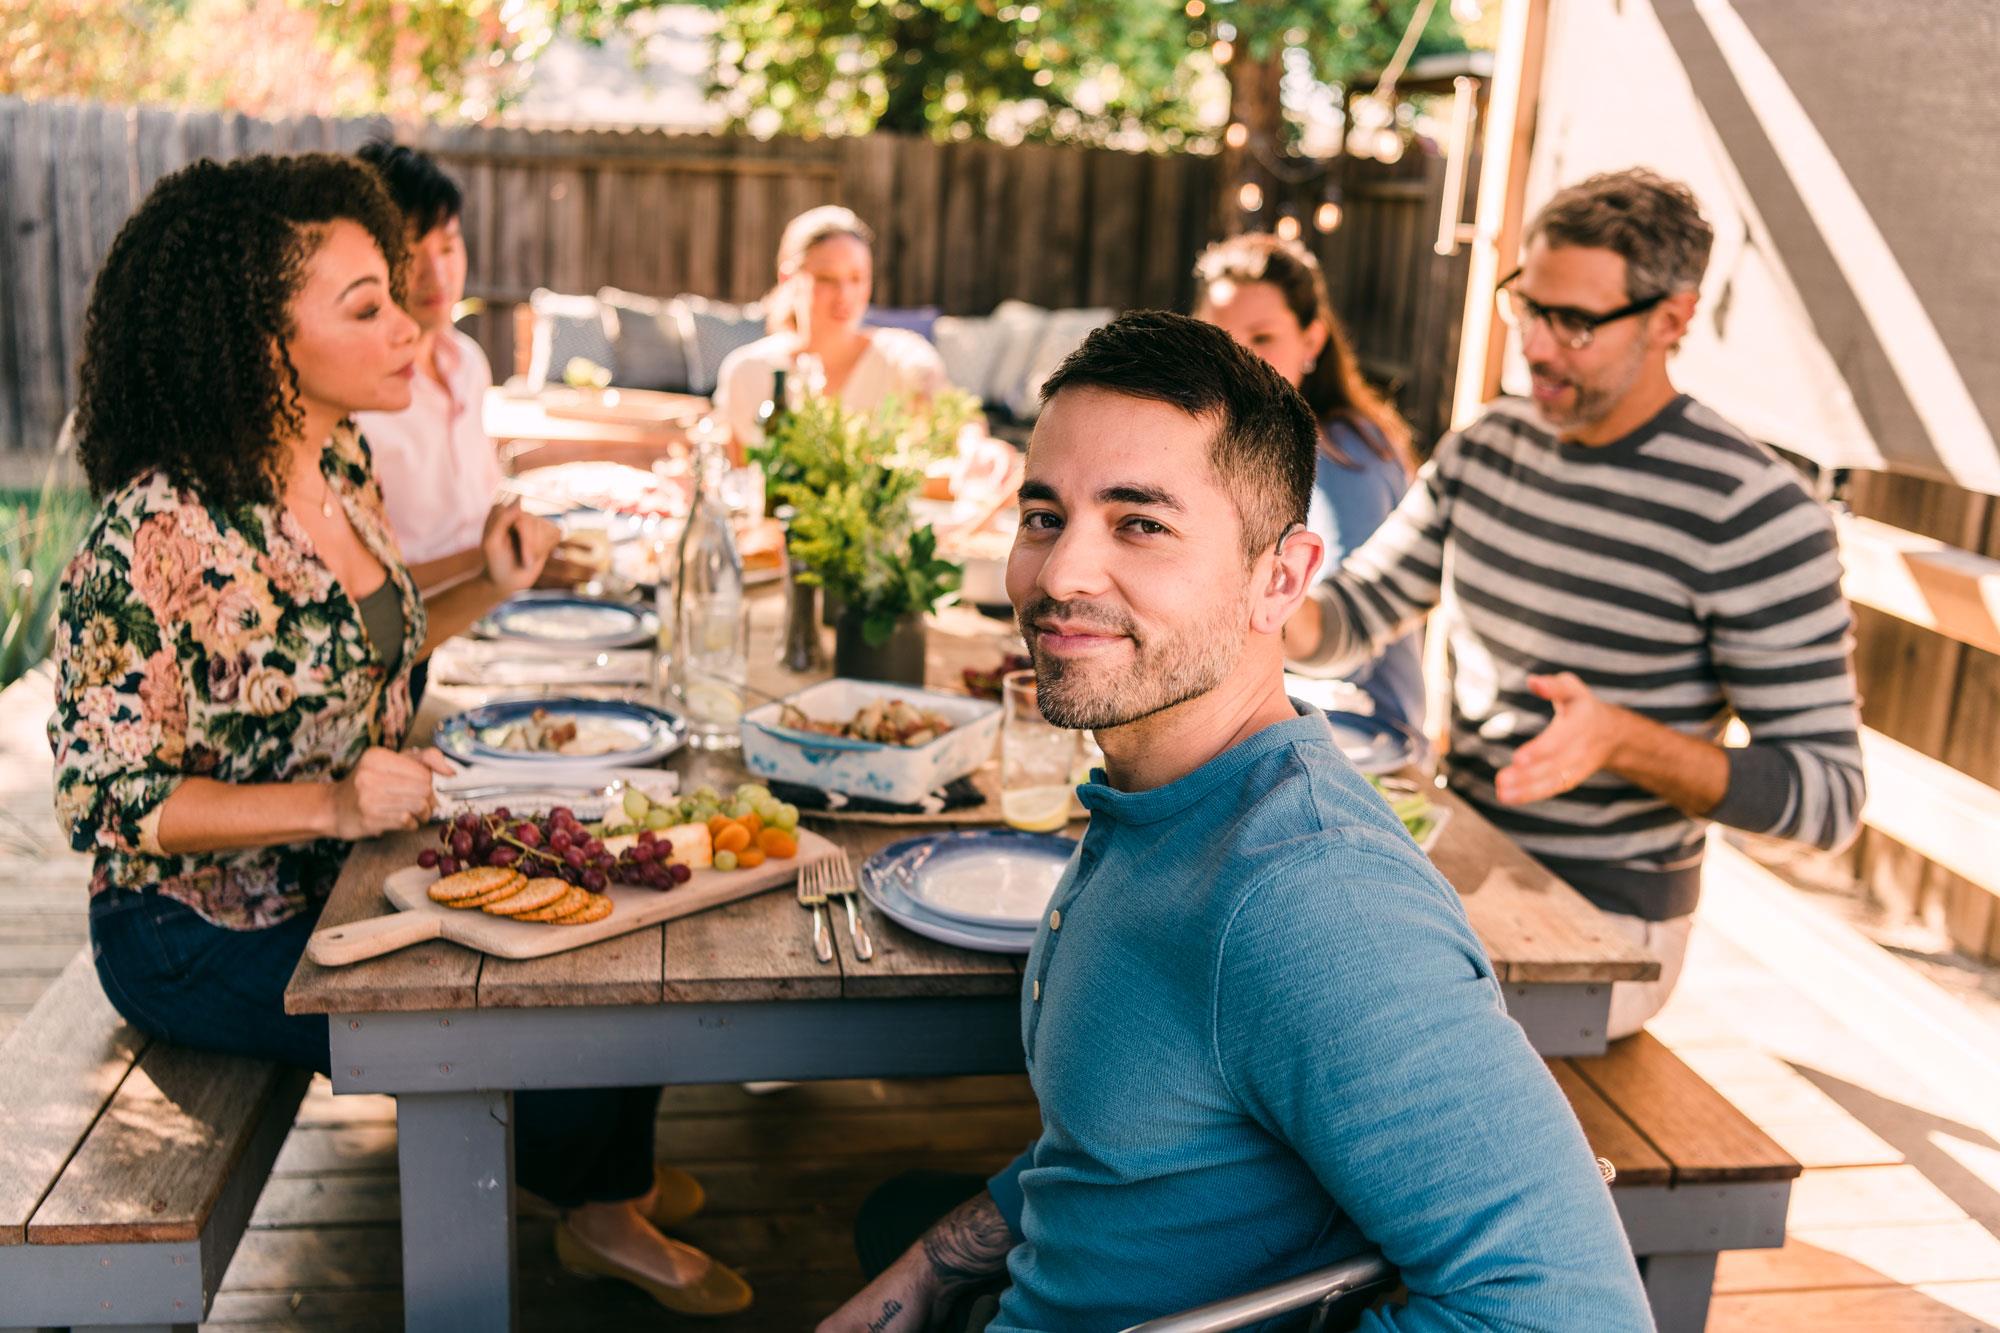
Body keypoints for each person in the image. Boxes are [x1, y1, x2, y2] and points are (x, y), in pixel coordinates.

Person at [819, 312, 1652, 1332]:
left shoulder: (1314, 903)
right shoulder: (1158, 795)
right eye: (1044, 515)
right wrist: (929, 1267)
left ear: (1282, 578)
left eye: (1139, 524)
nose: (1059, 574)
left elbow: (1568, 1312)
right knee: (883, 1212)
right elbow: (1130, 1144)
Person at [48, 153, 750, 1318]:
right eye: (364, 305)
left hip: (352, 871)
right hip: (195, 929)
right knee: (514, 1000)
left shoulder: (337, 461)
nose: (409, 322)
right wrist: (330, 806)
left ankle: (596, 1176)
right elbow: (105, 801)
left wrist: (496, 581)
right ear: (265, 340)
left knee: (607, 903)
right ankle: (591, 1195)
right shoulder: (154, 535)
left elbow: (373, 649)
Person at [1287, 168, 1866, 1038]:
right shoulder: (1487, 446)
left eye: (1578, 323)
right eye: (1528, 305)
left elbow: (1827, 798)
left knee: (1332, 1020)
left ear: (1673, 318)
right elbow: (1361, 608)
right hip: (1459, 859)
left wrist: (1622, 740)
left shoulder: (1756, 512)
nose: (1540, 347)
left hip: (1609, 926)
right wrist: (1256, 601)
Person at [350, 140, 588, 707]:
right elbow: (361, 603)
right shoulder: (355, 404)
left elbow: (475, 512)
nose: (437, 272)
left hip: (496, 627)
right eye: (411, 250)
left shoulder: (467, 363)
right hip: (410, 661)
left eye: (449, 246)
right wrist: (497, 561)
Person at [1195, 232, 1427, 732]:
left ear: (1311, 341)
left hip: (1358, 725)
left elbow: (1349, 650)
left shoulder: (1347, 458)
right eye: (1218, 337)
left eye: (1262, 339)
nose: (1235, 360)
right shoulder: (1237, 442)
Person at [711, 205, 947, 444]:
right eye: (827, 278)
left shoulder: (901, 357)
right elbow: (733, 468)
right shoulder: (746, 372)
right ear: (788, 279)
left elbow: (957, 420)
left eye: (856, 278)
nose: (844, 294)